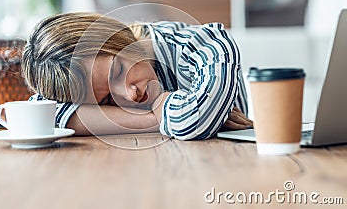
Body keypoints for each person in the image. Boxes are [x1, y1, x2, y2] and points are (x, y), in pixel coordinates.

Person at [21, 12, 252, 140]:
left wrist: (183, 112)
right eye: (107, 102)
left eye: (118, 71)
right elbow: (43, 114)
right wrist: (155, 117)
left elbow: (196, 120)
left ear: (119, 36)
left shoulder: (202, 44)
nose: (131, 95)